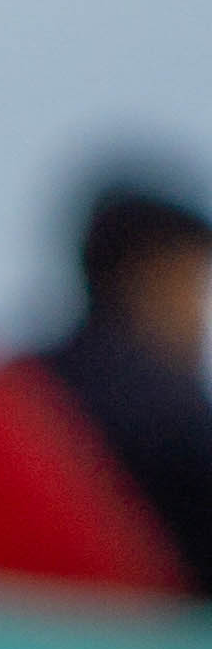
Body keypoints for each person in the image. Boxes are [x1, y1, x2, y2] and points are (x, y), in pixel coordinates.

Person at [23, 170, 212, 598]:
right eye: (195, 285)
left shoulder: (18, 385)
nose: (201, 317)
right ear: (152, 278)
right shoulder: (176, 414)